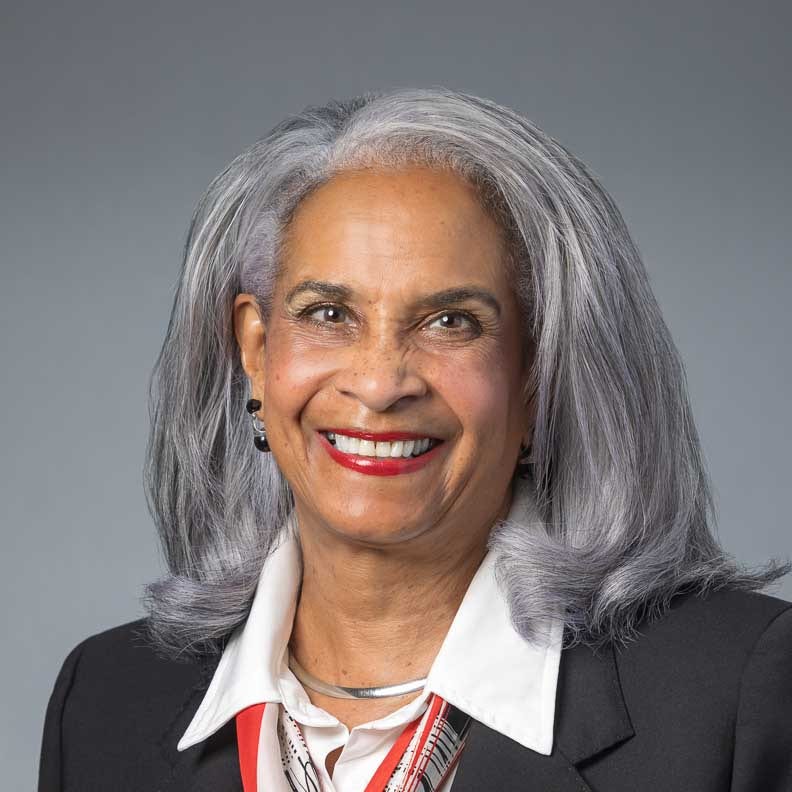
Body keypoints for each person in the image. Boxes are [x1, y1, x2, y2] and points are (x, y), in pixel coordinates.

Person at [38, 88, 792, 792]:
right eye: (328, 313)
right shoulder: (104, 701)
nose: (379, 384)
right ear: (256, 352)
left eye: (450, 322)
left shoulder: (737, 692)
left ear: (538, 376)